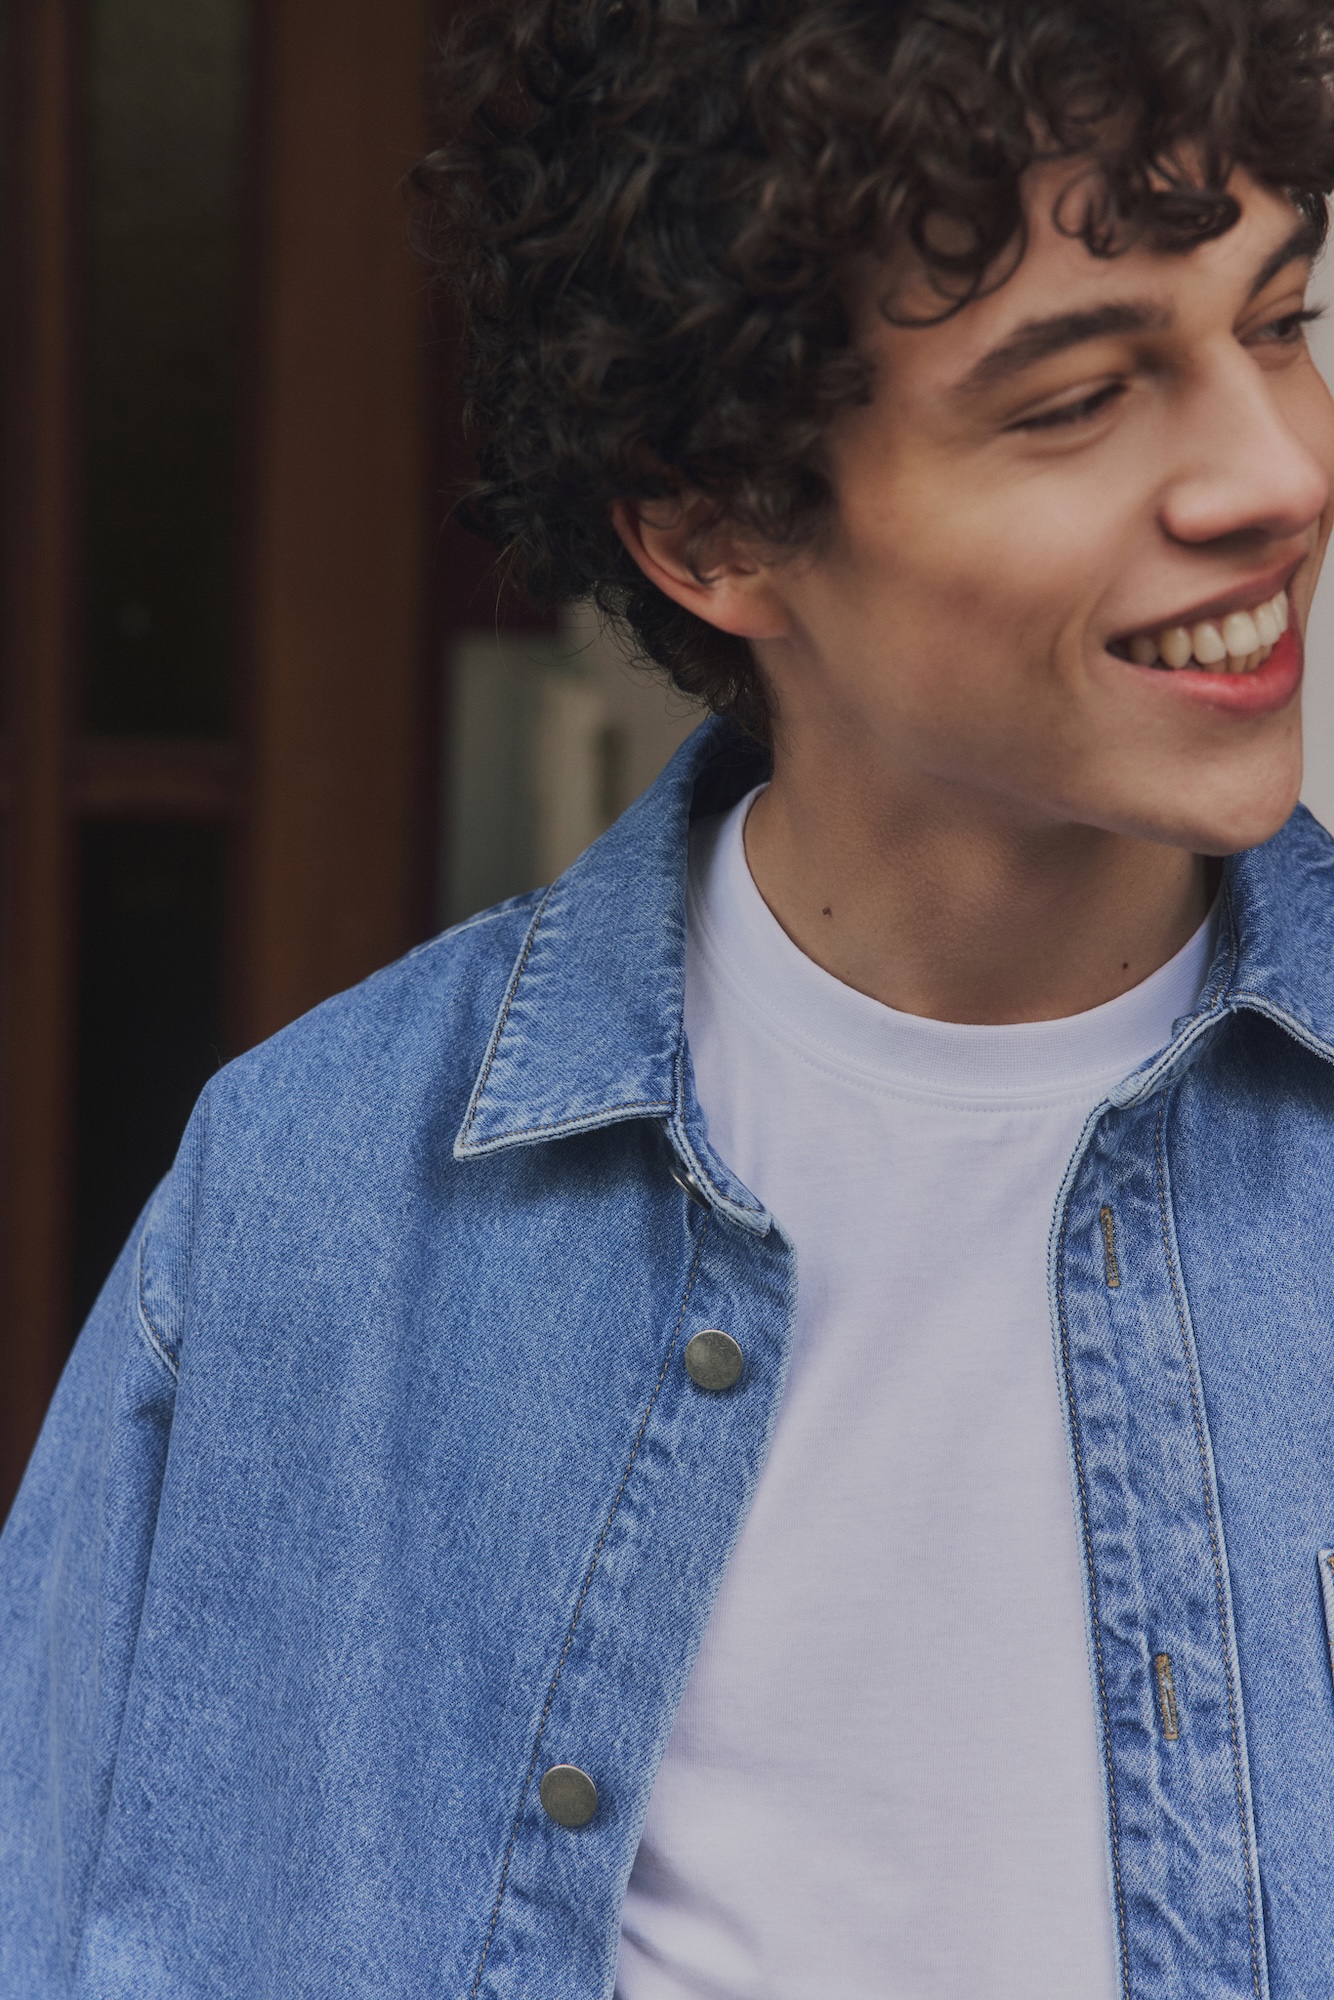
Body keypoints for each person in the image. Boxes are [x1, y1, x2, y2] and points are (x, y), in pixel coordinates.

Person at [6, 0, 1334, 1993]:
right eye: (1076, 400)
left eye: (1281, 322)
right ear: (716, 526)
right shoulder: (304, 1205)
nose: (1273, 474)